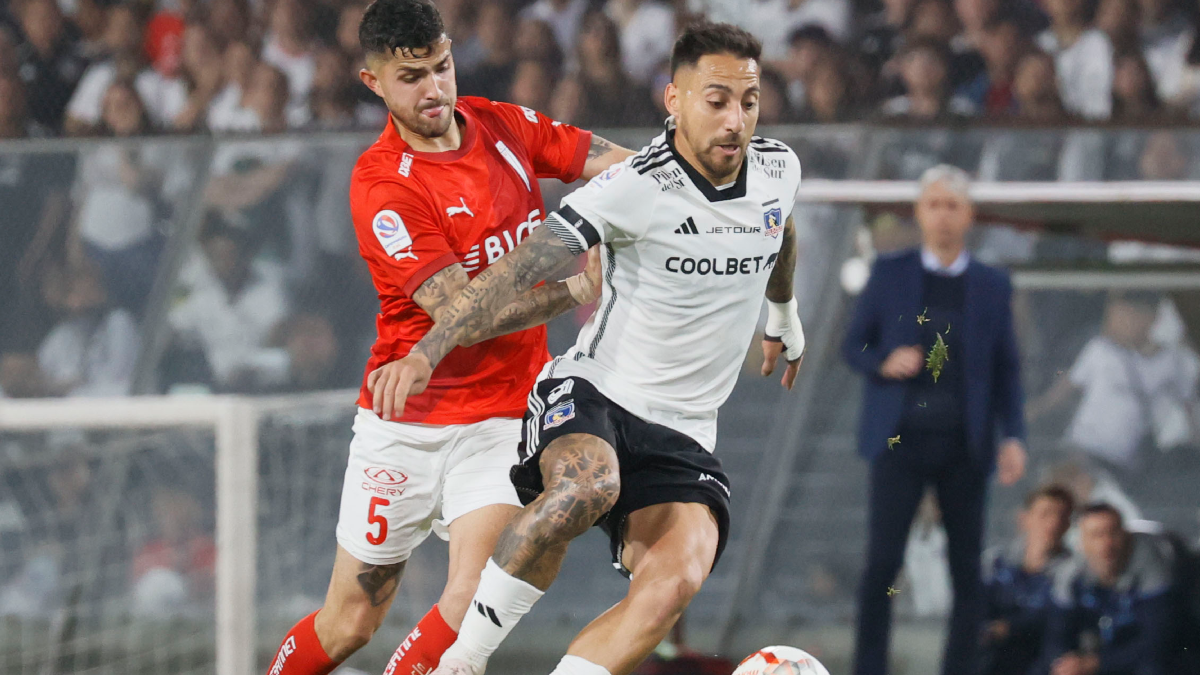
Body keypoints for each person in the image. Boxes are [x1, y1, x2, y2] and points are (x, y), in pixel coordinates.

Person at [384, 21, 807, 675]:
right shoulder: (636, 185)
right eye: (716, 99)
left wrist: (784, 313)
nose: (735, 120)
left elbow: (781, 230)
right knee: (586, 488)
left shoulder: (779, 167)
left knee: (673, 584)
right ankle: (462, 661)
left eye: (748, 102)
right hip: (595, 393)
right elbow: (517, 269)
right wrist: (428, 348)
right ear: (676, 100)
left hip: (687, 430)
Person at [261, 0, 632, 673]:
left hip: (501, 415)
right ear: (374, 83)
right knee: (350, 622)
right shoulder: (382, 187)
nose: (434, 89)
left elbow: (621, 169)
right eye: (412, 77)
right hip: (405, 419)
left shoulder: (505, 125)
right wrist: (577, 288)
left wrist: (693, 187)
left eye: (441, 67)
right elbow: (466, 313)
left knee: (469, 600)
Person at [842, 164, 1028, 675]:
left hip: (964, 442)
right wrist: (882, 361)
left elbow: (1007, 367)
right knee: (882, 563)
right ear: (920, 213)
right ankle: (869, 667)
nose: (943, 215)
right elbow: (852, 342)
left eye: (953, 205)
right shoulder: (889, 271)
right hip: (899, 438)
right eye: (934, 204)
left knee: (966, 569)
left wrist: (1014, 434)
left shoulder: (991, 283)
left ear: (968, 215)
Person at [1036, 502, 1191, 675]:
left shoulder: (1150, 565)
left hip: (1136, 658)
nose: (1106, 544)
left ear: (1125, 536)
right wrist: (1066, 664)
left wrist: (1098, 663)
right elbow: (1056, 635)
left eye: (1113, 533)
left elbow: (1159, 640)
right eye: (1096, 535)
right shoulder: (1070, 574)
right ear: (1082, 542)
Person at [979, 484, 1075, 675]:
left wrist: (1011, 627)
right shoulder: (995, 563)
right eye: (1045, 514)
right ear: (1025, 519)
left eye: (1061, 516)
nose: (1053, 523)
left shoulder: (1074, 572)